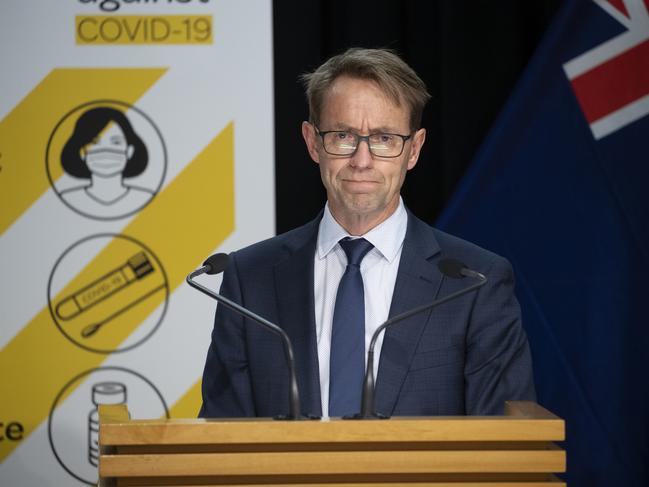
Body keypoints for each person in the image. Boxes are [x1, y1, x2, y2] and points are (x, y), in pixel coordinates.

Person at [199, 48, 535, 418]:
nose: (362, 161)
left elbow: (503, 441)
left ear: (414, 149)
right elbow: (220, 435)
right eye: (343, 135)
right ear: (313, 142)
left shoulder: (474, 283)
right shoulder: (251, 278)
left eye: (384, 138)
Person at [60, 107, 154, 217]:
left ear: (129, 150)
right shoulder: (69, 198)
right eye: (94, 143)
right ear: (83, 151)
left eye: (116, 142)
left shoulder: (145, 198)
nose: (105, 151)